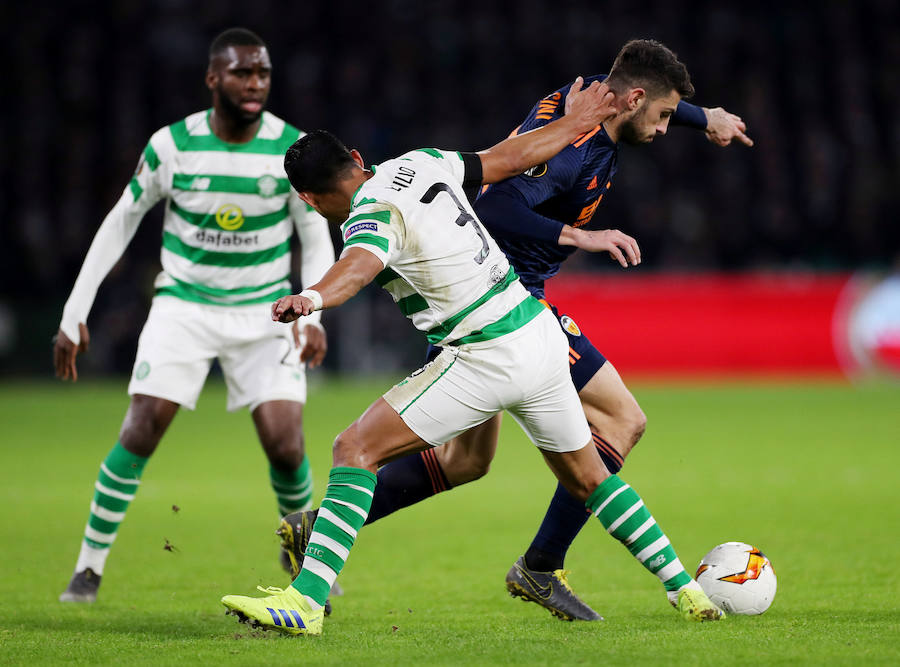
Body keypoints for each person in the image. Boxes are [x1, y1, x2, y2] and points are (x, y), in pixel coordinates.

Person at [220, 78, 724, 636]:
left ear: (308, 200)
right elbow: (507, 158)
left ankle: (306, 601)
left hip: (485, 356)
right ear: (358, 157)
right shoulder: (423, 161)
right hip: (539, 334)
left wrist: (311, 298)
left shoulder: (370, 214)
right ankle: (687, 590)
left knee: (354, 448)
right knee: (589, 477)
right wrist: (574, 122)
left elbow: (359, 265)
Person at [54, 27, 335, 603]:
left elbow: (314, 230)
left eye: (262, 73)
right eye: (241, 73)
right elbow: (121, 221)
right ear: (213, 78)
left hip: (267, 312)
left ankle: (300, 560)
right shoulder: (172, 145)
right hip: (184, 307)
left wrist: (313, 312)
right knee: (141, 428)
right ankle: (88, 567)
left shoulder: (290, 148)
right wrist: (74, 309)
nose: (255, 83)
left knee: (286, 444)